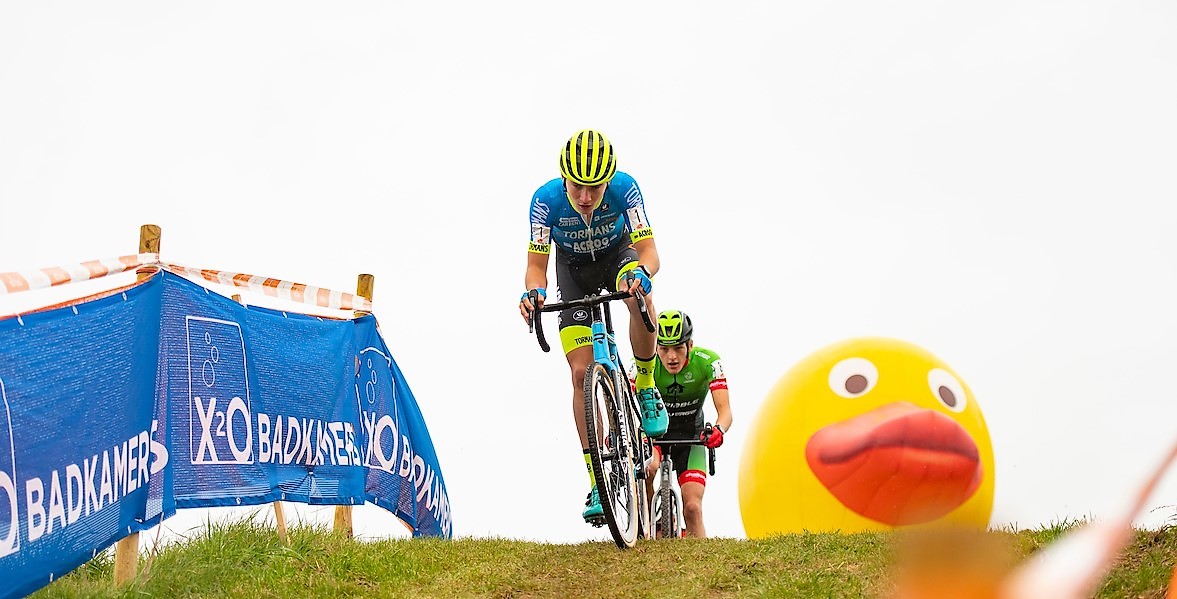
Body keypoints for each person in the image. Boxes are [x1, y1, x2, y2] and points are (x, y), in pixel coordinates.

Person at [518, 129, 669, 524]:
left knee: (637, 293)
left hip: (619, 257)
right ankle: (598, 482)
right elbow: (537, 268)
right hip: (574, 273)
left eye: (595, 189)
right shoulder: (544, 202)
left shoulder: (626, 189)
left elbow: (649, 250)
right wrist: (533, 294)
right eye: (578, 188)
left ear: (608, 182)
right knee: (581, 373)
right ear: (564, 180)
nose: (586, 198)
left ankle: (647, 384)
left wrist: (644, 272)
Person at [638, 309, 731, 538]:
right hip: (655, 436)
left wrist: (718, 429)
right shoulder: (642, 366)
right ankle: (646, 523)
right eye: (664, 349)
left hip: (692, 436)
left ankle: (701, 566)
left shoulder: (708, 362)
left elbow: (725, 411)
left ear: (690, 345)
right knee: (648, 469)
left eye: (678, 348)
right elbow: (625, 408)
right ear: (654, 347)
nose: (672, 357)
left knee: (692, 508)